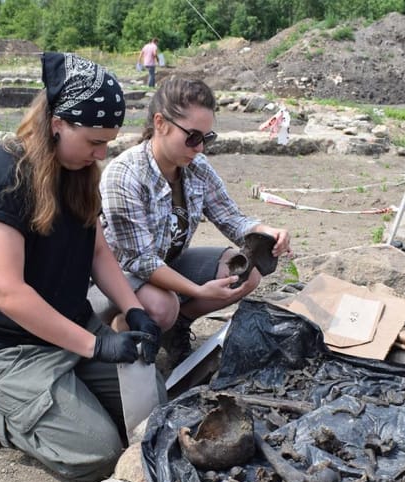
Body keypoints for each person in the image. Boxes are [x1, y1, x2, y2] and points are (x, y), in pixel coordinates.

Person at [0, 52, 164, 482]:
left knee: (152, 416)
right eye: (93, 142)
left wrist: (133, 308)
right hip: (5, 346)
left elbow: (98, 253)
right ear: (57, 124)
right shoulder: (2, 180)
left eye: (108, 141)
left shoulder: (77, 172)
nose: (101, 153)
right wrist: (97, 346)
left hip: (66, 329)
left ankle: (56, 401)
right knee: (98, 454)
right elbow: (6, 293)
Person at [97, 77, 290, 369]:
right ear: (160, 123)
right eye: (192, 137)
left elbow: (231, 218)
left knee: (244, 275)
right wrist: (197, 290)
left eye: (206, 138)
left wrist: (264, 231)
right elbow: (141, 261)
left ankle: (176, 329)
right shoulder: (125, 174)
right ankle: (118, 336)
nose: (200, 148)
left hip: (167, 262)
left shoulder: (195, 167)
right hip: (120, 273)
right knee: (163, 308)